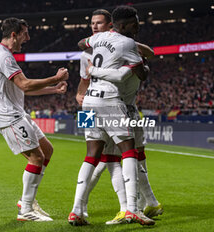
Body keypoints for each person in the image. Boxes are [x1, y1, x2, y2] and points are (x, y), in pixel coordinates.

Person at [69, 5, 154, 226]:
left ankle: (77, 209)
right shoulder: (126, 44)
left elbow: (83, 56)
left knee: (94, 155)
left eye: (98, 23)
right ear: (121, 25)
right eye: (92, 24)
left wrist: (80, 92)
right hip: (110, 102)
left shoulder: (92, 45)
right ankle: (132, 209)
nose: (94, 26)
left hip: (88, 103)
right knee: (128, 150)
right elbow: (142, 73)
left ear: (108, 25)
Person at [0, 17, 68, 222]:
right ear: (14, 34)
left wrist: (53, 89)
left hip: (18, 113)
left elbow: (23, 91)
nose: (28, 38)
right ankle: (26, 210)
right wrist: (55, 78)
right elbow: (25, 85)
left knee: (47, 150)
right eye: (25, 33)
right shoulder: (3, 57)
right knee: (37, 157)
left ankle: (27, 202)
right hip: (9, 117)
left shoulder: (7, 56)